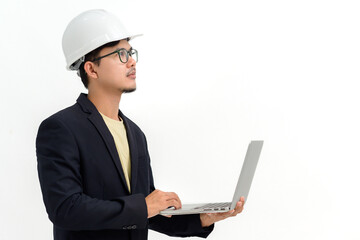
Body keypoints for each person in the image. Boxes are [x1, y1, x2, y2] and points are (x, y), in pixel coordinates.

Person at [36, 9, 245, 240]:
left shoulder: (135, 134)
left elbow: (144, 213)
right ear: (91, 69)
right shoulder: (61, 128)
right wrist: (144, 206)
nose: (132, 61)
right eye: (120, 54)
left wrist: (201, 219)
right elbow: (66, 209)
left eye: (131, 52)